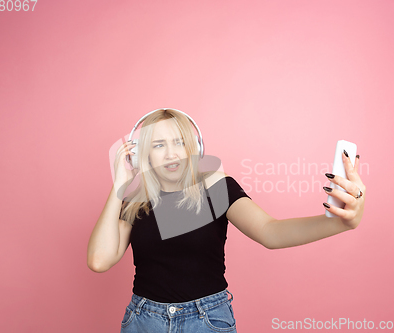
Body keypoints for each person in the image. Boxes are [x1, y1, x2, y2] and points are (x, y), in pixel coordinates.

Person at [87, 109, 366, 333]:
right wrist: (121, 183)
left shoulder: (217, 188)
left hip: (206, 321)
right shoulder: (136, 201)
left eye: (180, 142)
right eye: (159, 145)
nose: (171, 153)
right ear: (142, 153)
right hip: (144, 321)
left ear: (194, 147)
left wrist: (338, 223)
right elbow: (99, 260)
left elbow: (271, 232)